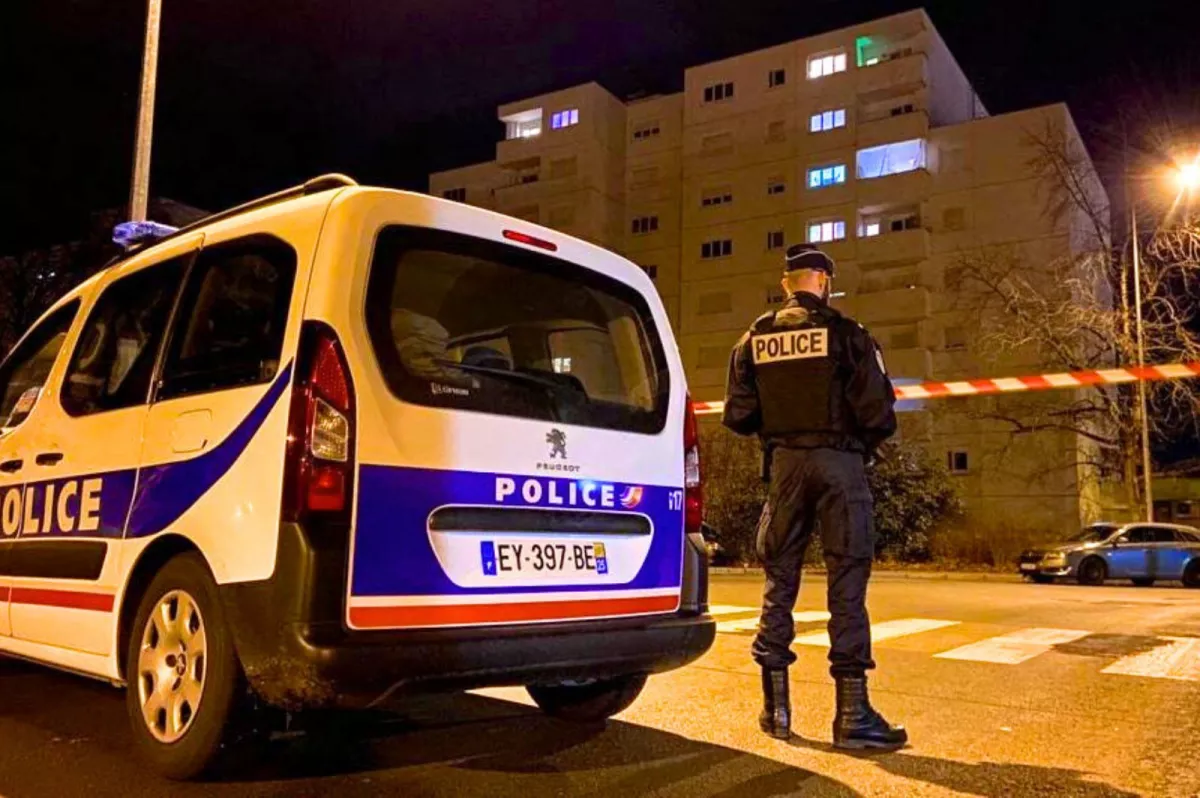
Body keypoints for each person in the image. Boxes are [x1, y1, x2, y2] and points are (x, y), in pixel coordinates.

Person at [722, 242, 906, 750]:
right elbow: (878, 413)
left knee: (779, 580)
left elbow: (738, 414)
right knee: (847, 582)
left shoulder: (755, 337)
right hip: (840, 465)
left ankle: (776, 709)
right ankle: (853, 716)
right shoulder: (848, 334)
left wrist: (783, 430)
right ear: (824, 282)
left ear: (786, 284)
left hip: (785, 465)